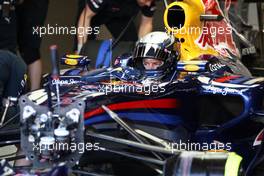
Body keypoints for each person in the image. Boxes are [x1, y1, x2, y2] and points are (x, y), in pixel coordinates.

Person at [76, 0, 156, 53]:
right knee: (82, 50)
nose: (148, 3)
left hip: (120, 15)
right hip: (95, 15)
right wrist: (80, 48)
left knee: (132, 46)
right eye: (147, 0)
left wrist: (141, 51)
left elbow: (146, 23)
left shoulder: (149, 3)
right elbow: (86, 16)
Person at [16, 0, 49, 91]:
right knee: (12, 46)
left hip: (34, 6)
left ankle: (34, 93)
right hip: (14, 6)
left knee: (31, 49)